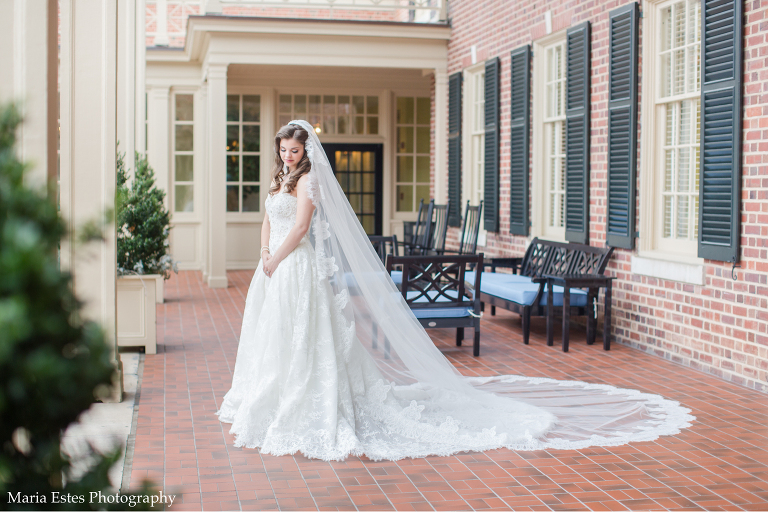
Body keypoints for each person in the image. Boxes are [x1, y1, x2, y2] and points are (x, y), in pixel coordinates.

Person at [217, 120, 693, 461]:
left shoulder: (310, 183)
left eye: (293, 150)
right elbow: (269, 220)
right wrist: (263, 254)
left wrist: (277, 257)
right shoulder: (280, 180)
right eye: (283, 149)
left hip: (295, 268)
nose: (287, 155)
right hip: (273, 270)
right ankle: (272, 396)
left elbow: (299, 228)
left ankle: (309, 403)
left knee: (305, 337)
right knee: (275, 335)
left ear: (306, 152)